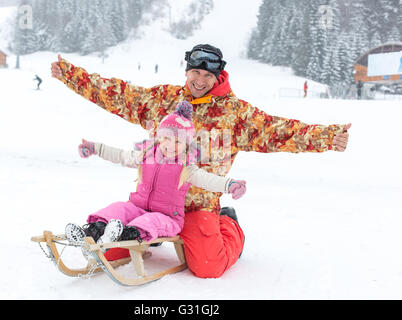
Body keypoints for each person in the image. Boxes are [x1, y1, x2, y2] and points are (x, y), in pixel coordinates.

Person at [51, 43, 351, 278]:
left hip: (196, 206)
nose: (200, 80)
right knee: (110, 250)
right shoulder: (162, 100)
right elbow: (118, 94)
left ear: (218, 75)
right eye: (196, 72)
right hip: (151, 203)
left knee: (208, 266)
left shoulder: (235, 114)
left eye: (208, 75)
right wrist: (69, 73)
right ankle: (150, 235)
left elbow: (278, 130)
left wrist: (327, 136)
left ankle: (229, 225)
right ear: (187, 70)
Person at [65, 102, 247, 256]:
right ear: (160, 138)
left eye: (178, 142)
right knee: (118, 208)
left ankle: (124, 235)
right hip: (137, 208)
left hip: (167, 218)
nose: (171, 145)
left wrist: (229, 185)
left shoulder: (186, 167)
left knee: (148, 222)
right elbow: (120, 155)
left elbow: (207, 179)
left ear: (186, 144)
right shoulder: (146, 156)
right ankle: (91, 231)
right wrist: (96, 148)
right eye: (167, 138)